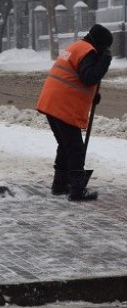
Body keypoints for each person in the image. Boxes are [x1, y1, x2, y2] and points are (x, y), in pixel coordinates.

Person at [36, 23, 113, 202]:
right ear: (101, 45)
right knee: (75, 149)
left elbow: (76, 76)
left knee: (66, 146)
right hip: (63, 105)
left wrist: (94, 95)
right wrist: (105, 60)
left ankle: (59, 186)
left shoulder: (77, 46)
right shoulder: (89, 52)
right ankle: (77, 191)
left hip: (52, 102)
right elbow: (89, 77)